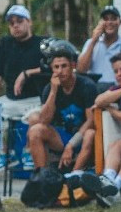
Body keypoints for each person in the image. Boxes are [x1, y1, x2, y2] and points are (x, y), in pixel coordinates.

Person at [0, 5, 48, 169]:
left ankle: (29, 152)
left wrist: (27, 73)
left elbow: (51, 67)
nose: (15, 25)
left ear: (29, 22)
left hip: (35, 100)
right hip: (10, 99)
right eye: (11, 23)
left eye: (19, 21)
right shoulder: (5, 43)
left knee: (35, 118)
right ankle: (3, 154)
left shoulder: (42, 44)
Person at [26, 45, 97, 177]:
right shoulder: (49, 88)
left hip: (82, 135)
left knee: (90, 133)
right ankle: (42, 178)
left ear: (72, 66)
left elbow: (91, 121)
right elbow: (44, 121)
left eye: (64, 66)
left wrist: (71, 145)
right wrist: (53, 92)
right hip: (62, 135)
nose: (60, 71)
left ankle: (73, 177)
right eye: (56, 67)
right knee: (35, 130)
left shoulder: (87, 86)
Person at [80, 52, 121, 199]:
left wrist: (110, 109)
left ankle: (115, 186)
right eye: (116, 71)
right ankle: (106, 181)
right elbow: (99, 100)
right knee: (116, 145)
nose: (119, 74)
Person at [77, 5, 121, 93]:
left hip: (118, 93)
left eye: (113, 19)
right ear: (100, 22)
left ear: (120, 22)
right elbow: (81, 70)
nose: (109, 22)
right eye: (106, 19)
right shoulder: (90, 43)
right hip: (94, 92)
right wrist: (94, 40)